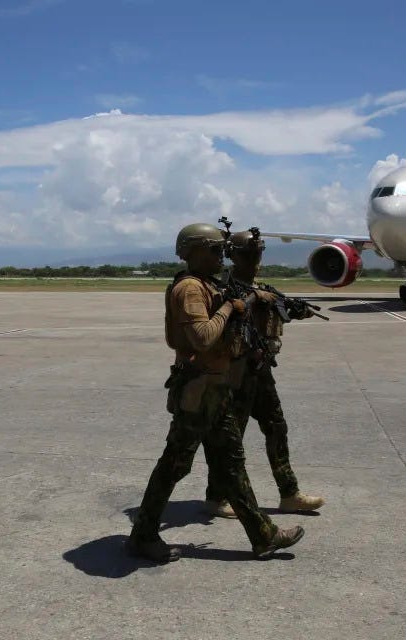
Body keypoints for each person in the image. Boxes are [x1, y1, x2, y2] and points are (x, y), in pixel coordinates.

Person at [126, 223, 305, 563]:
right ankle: (142, 535)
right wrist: (230, 309)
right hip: (198, 392)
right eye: (213, 249)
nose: (220, 256)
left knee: (231, 463)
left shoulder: (210, 285)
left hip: (216, 389)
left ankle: (264, 535)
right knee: (174, 465)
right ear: (192, 251)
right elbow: (204, 338)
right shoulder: (190, 290)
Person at [203, 229, 325, 519]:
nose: (255, 260)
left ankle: (289, 493)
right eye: (249, 254)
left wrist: (295, 309)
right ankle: (217, 496)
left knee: (276, 427)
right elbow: (227, 310)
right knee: (232, 438)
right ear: (233, 256)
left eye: (258, 254)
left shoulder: (262, 287)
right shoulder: (225, 286)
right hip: (235, 372)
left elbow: (272, 311)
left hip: (260, 370)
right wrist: (257, 298)